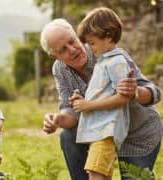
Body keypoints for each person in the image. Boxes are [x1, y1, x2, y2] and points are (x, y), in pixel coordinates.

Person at [40, 18, 163, 180]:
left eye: (72, 41)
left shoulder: (106, 51)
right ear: (53, 55)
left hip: (137, 133)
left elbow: (154, 92)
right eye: (63, 49)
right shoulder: (60, 69)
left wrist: (136, 91)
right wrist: (57, 120)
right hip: (102, 133)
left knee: (136, 177)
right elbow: (71, 110)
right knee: (68, 135)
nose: (73, 49)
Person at [68, 7, 133, 179]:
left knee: (95, 174)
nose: (90, 48)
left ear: (109, 36)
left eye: (92, 43)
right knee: (100, 174)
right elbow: (105, 94)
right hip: (99, 132)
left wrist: (88, 105)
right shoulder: (104, 62)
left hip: (107, 131)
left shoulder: (117, 62)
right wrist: (83, 100)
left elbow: (122, 98)